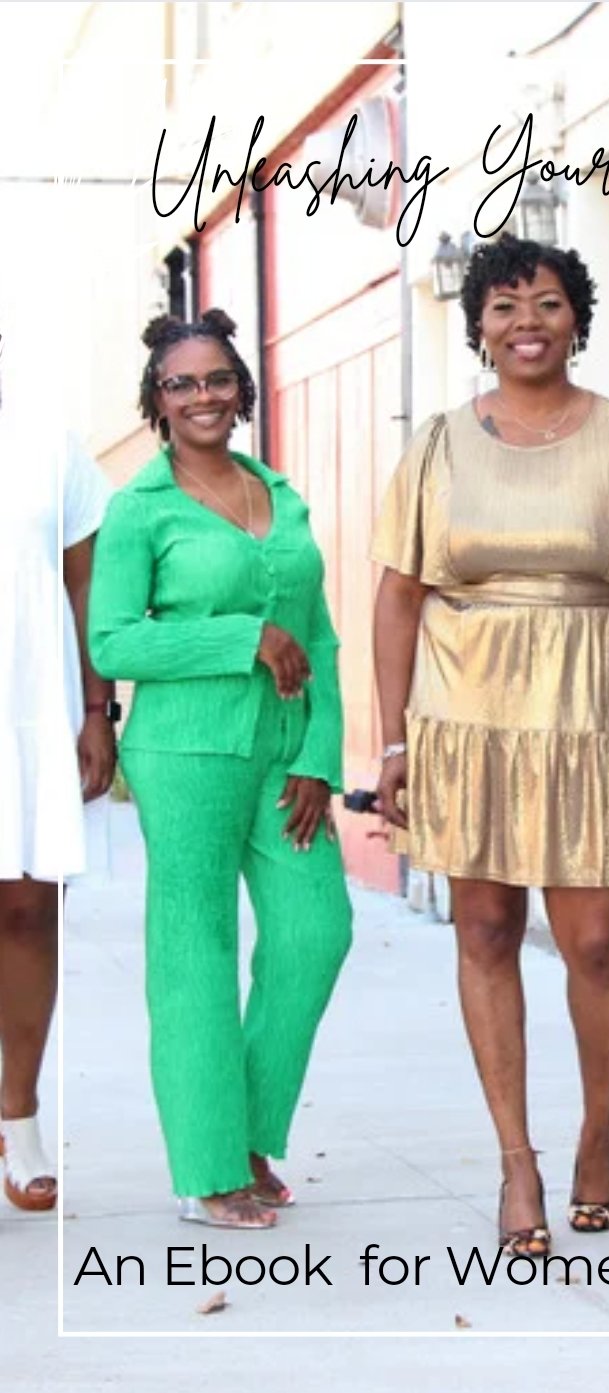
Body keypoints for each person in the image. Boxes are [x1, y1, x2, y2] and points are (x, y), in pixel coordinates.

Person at [372, 235, 609, 1257]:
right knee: (484, 930)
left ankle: (596, 1132)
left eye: (550, 303)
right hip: (467, 718)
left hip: (587, 717)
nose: (528, 323)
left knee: (596, 942)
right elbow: (397, 594)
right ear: (479, 326)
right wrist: (392, 742)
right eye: (506, 306)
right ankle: (515, 1157)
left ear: (578, 319)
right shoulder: (438, 445)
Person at [88, 309, 352, 1230]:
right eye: (181, 384)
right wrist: (245, 636)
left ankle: (245, 1134)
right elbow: (113, 641)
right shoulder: (139, 509)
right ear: (157, 401)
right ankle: (206, 1168)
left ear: (241, 390)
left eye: (216, 380)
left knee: (315, 932)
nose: (201, 396)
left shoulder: (280, 493)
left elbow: (320, 636)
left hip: (284, 752)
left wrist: (319, 755)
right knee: (194, 950)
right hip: (184, 752)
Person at [0, 331, 116, 1211]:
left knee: (29, 906)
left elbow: (86, 588)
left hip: (32, 704)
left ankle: (20, 1116)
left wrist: (95, 709)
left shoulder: (49, 443)